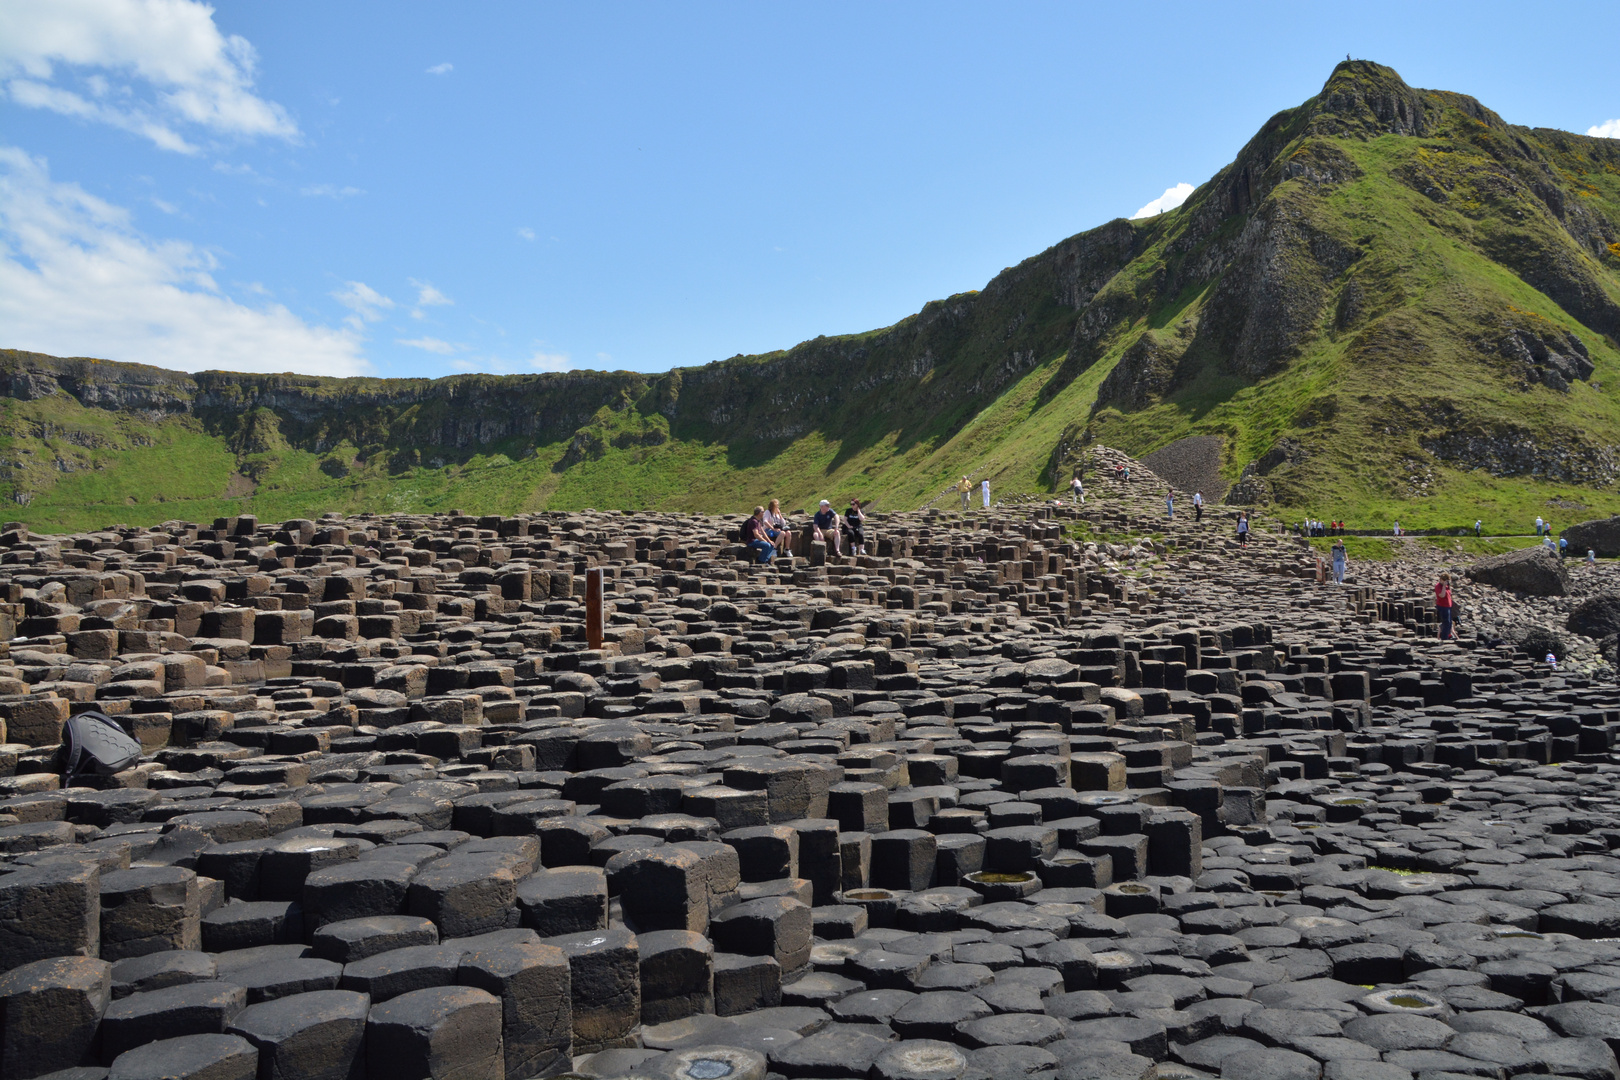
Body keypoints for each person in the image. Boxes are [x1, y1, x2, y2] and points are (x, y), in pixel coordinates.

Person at [1434, 572, 1455, 641]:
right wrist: (1443, 586)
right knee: (1446, 623)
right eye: (1445, 581)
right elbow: (1442, 595)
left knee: (1449, 623)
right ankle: (1444, 638)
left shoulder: (1447, 586)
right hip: (1442, 606)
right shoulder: (1438, 586)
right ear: (1441, 580)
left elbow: (1450, 594)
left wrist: (1448, 586)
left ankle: (1447, 636)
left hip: (1448, 606)